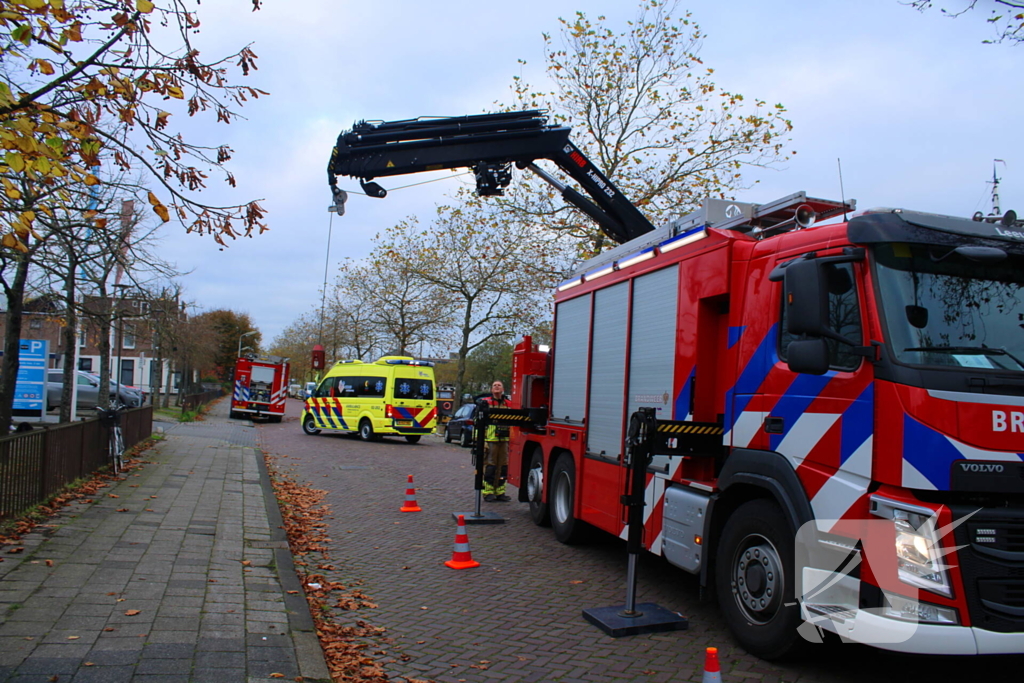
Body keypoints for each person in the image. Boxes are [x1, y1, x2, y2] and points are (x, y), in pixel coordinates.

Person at [478, 380, 512, 502]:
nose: (497, 387)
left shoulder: (509, 403)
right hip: (490, 439)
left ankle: (500, 491)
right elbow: (479, 423)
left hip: (504, 439)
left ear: (503, 389)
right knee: (490, 465)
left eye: (499, 385)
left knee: (503, 466)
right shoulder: (485, 403)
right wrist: (480, 440)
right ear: (492, 389)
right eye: (494, 385)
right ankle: (488, 491)